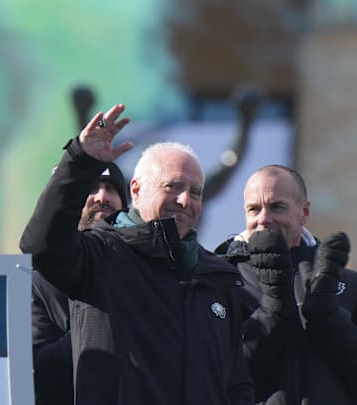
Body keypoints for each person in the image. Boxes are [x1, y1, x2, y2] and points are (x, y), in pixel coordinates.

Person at [21, 103, 254, 405]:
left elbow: (237, 386)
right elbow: (42, 246)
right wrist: (80, 160)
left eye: (195, 192)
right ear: (137, 190)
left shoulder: (218, 278)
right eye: (172, 186)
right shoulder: (102, 254)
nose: (185, 200)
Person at [215, 164, 357, 404]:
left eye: (277, 207)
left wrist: (329, 318)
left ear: (304, 212)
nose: (263, 219)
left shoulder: (351, 285)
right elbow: (214, 375)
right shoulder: (220, 279)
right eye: (254, 209)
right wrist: (273, 311)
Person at [32, 162, 128, 405]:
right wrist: (100, 322)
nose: (102, 197)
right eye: (92, 188)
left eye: (111, 189)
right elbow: (37, 370)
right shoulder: (37, 281)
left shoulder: (145, 270)